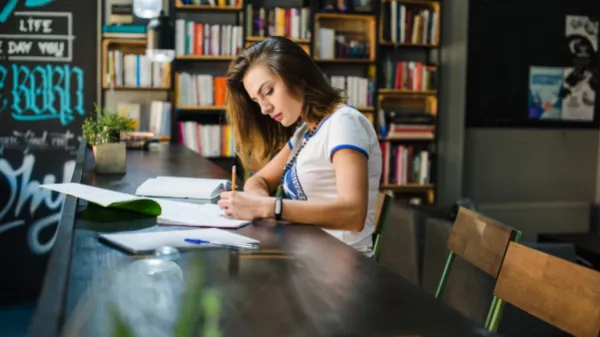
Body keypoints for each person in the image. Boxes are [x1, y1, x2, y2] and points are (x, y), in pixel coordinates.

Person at [218, 36, 382, 256]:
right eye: (257, 101)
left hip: (343, 267)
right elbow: (259, 180)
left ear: (298, 77)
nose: (264, 109)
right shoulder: (306, 132)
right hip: (304, 257)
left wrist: (268, 207)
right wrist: (258, 202)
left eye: (268, 91)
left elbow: (353, 214)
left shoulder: (344, 123)